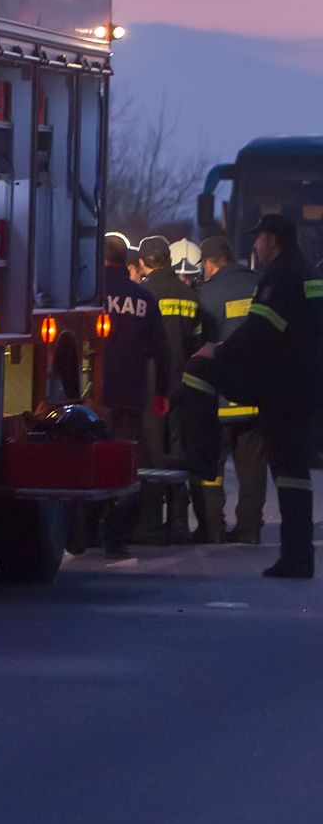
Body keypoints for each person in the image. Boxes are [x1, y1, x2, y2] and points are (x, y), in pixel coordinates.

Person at [183, 214, 323, 578]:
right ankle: (297, 555)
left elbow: (259, 331)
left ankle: (200, 455)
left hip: (280, 385)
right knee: (291, 472)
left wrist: (217, 350)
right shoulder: (307, 272)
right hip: (303, 386)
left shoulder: (281, 275)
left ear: (272, 239)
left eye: (258, 238)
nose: (256, 246)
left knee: (197, 369)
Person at [100, 233, 171, 559]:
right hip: (129, 395)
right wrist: (161, 393)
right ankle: (115, 539)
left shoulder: (88, 294)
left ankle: (85, 532)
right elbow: (162, 351)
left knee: (89, 461)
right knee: (122, 467)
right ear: (125, 260)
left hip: (92, 397)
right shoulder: (143, 298)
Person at [197, 234, 263, 543]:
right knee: (253, 467)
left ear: (209, 265)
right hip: (256, 394)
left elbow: (200, 344)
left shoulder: (206, 292)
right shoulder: (261, 285)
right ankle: (250, 530)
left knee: (213, 465)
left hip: (219, 397)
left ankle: (213, 529)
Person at [138, 235, 205, 543]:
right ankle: (179, 523)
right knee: (178, 452)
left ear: (143, 263)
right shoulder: (189, 295)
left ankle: (150, 523)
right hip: (183, 383)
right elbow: (198, 343)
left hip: (152, 386)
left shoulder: (144, 294)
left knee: (151, 454)